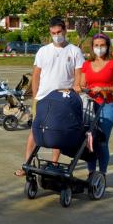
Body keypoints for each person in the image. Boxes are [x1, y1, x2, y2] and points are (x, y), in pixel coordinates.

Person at [15, 17, 84, 177]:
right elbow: (36, 74)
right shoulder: (43, 51)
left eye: (59, 32)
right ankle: (27, 165)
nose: (56, 35)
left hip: (63, 99)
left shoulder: (75, 51)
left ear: (65, 31)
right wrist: (35, 96)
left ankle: (54, 165)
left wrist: (75, 91)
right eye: (53, 33)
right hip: (43, 98)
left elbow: (78, 75)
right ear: (50, 32)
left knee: (57, 131)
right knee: (35, 130)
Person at [81, 33, 113, 181]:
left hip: (106, 106)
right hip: (89, 106)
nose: (99, 48)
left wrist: (104, 88)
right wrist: (80, 88)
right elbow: (81, 84)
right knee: (90, 141)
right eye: (96, 45)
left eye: (102, 45)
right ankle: (91, 172)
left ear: (107, 46)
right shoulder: (86, 64)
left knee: (102, 142)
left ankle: (102, 174)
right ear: (92, 47)